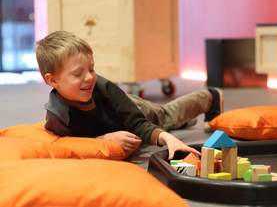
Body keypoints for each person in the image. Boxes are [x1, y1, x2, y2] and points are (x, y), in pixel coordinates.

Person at [35, 31, 223, 159]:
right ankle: (184, 121)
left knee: (165, 117)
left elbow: (138, 124)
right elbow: (71, 143)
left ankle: (210, 97)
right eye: (78, 74)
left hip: (132, 109)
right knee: (173, 121)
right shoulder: (56, 117)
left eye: (92, 69)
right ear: (52, 81)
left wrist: (168, 139)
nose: (90, 77)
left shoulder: (104, 87)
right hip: (112, 122)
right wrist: (104, 139)